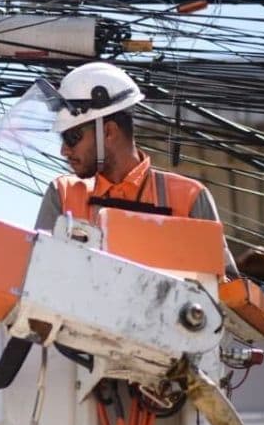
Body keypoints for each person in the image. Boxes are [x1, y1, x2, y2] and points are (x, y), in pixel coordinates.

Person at [28, 61, 238, 276]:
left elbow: (225, 289)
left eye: (72, 137)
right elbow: (37, 276)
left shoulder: (189, 197)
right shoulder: (63, 193)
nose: (64, 151)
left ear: (108, 132)